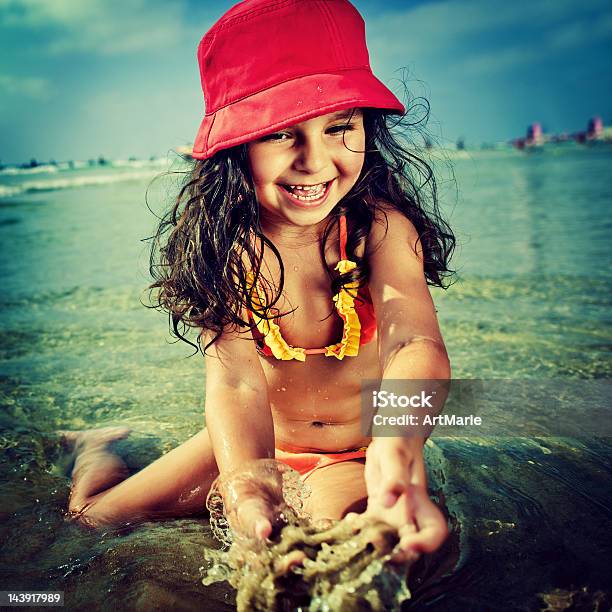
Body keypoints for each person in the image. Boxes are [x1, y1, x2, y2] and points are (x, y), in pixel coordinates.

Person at [63, 0, 455, 563]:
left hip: (360, 450)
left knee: (338, 544)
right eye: (282, 135)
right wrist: (250, 486)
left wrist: (395, 455)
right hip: (260, 443)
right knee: (89, 521)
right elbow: (236, 387)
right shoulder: (229, 249)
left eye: (340, 127)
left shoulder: (380, 229)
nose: (315, 160)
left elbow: (414, 344)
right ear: (234, 147)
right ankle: (92, 448)